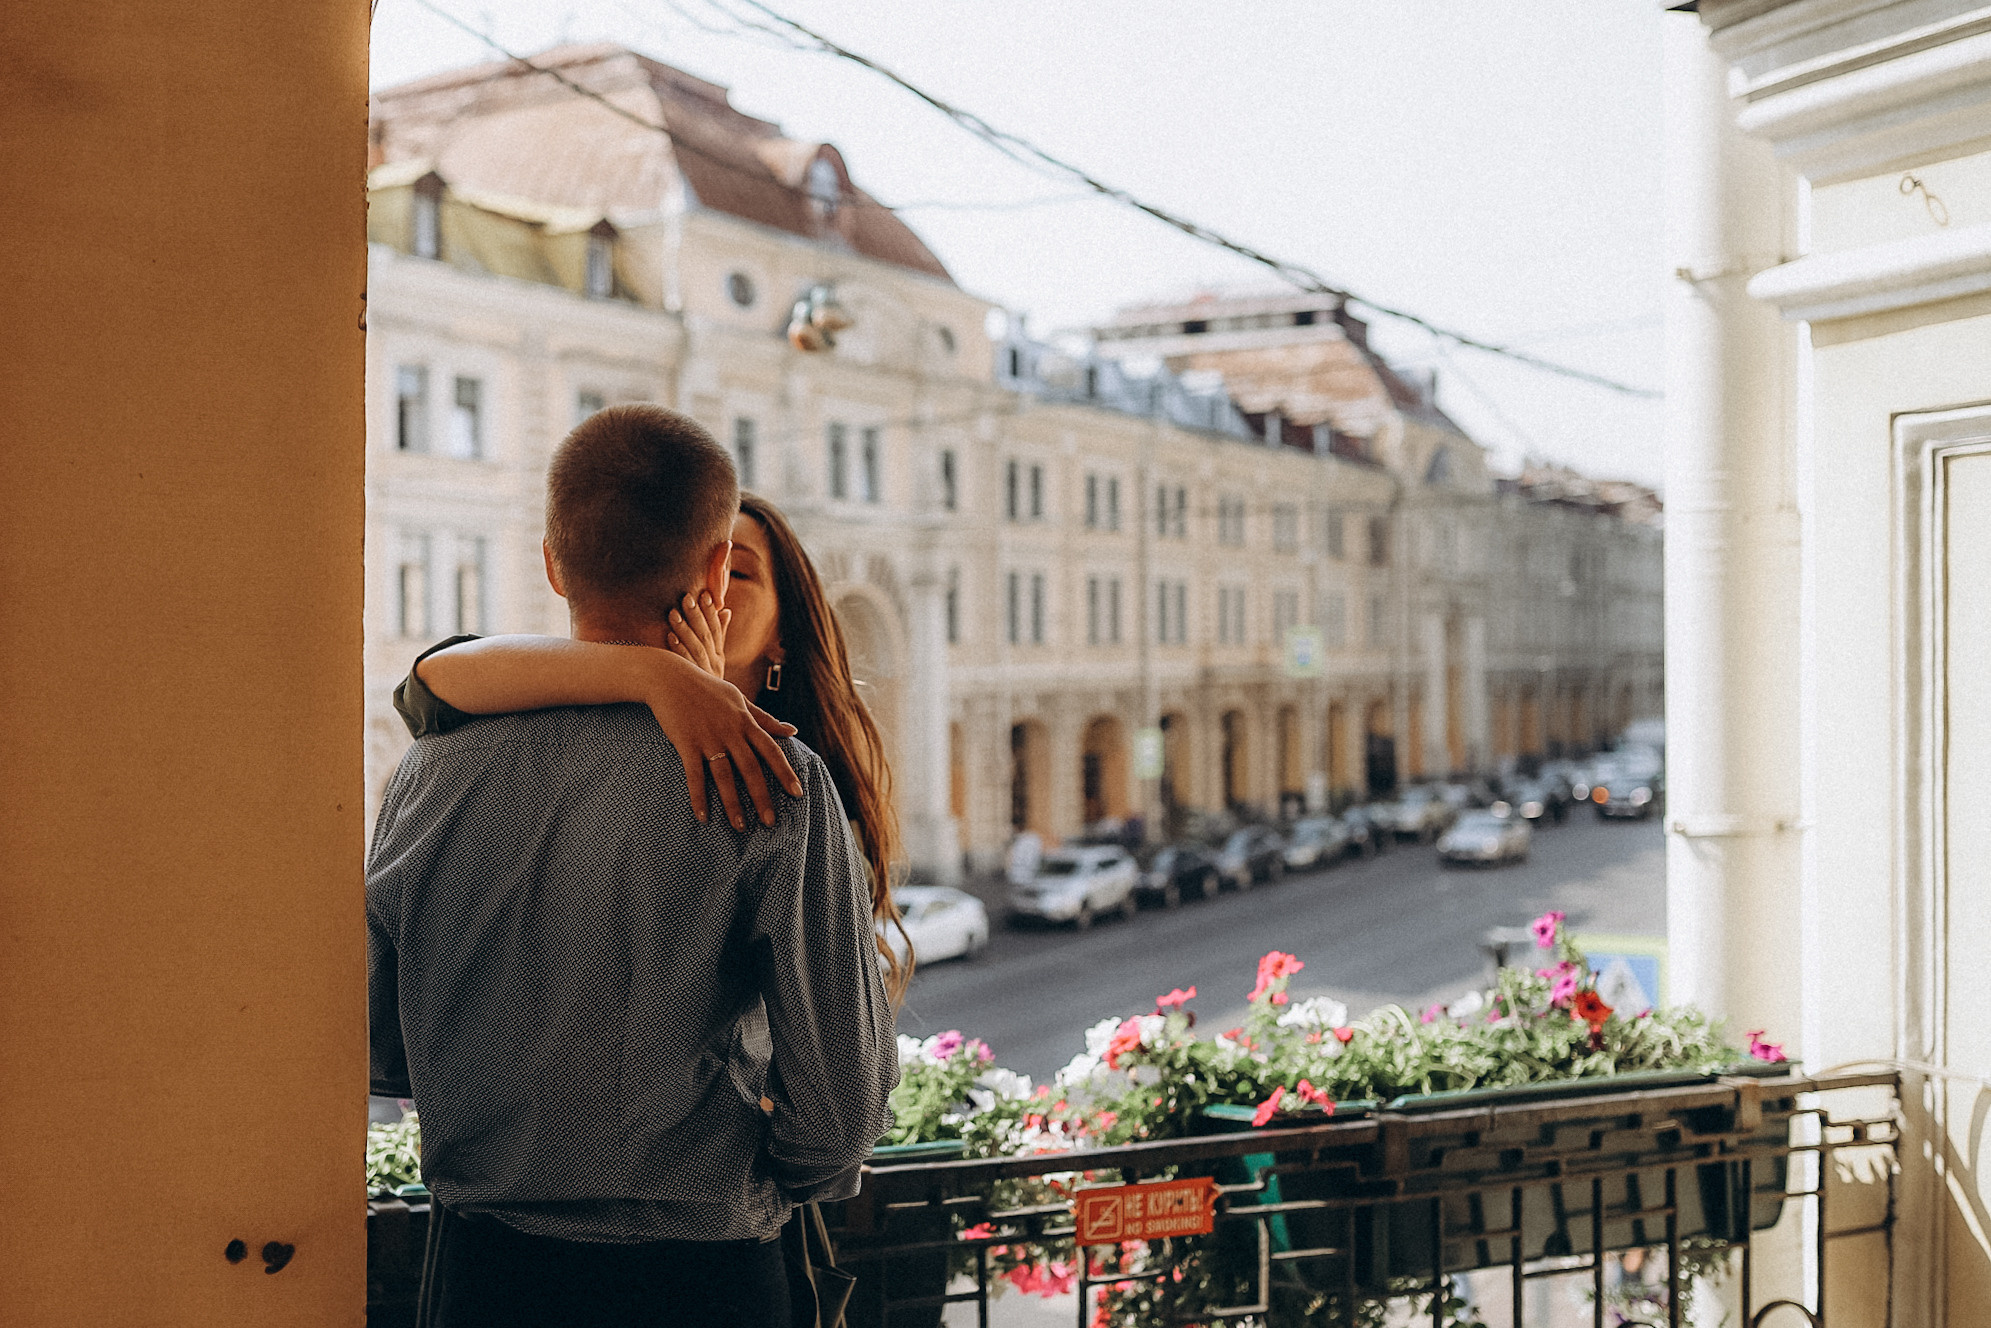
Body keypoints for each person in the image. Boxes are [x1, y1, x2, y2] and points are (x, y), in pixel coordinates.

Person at [367, 406, 897, 1328]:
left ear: (549, 562)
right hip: (701, 1278)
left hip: (481, 1274)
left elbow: (381, 1043)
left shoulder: (427, 772)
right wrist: (763, 1177)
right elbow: (842, 1111)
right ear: (709, 576)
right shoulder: (771, 777)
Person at [396, 489, 912, 1000]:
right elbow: (428, 683)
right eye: (692, 562)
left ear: (783, 633)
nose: (704, 587)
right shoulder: (575, 727)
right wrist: (656, 673)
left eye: (738, 573)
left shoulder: (794, 792)